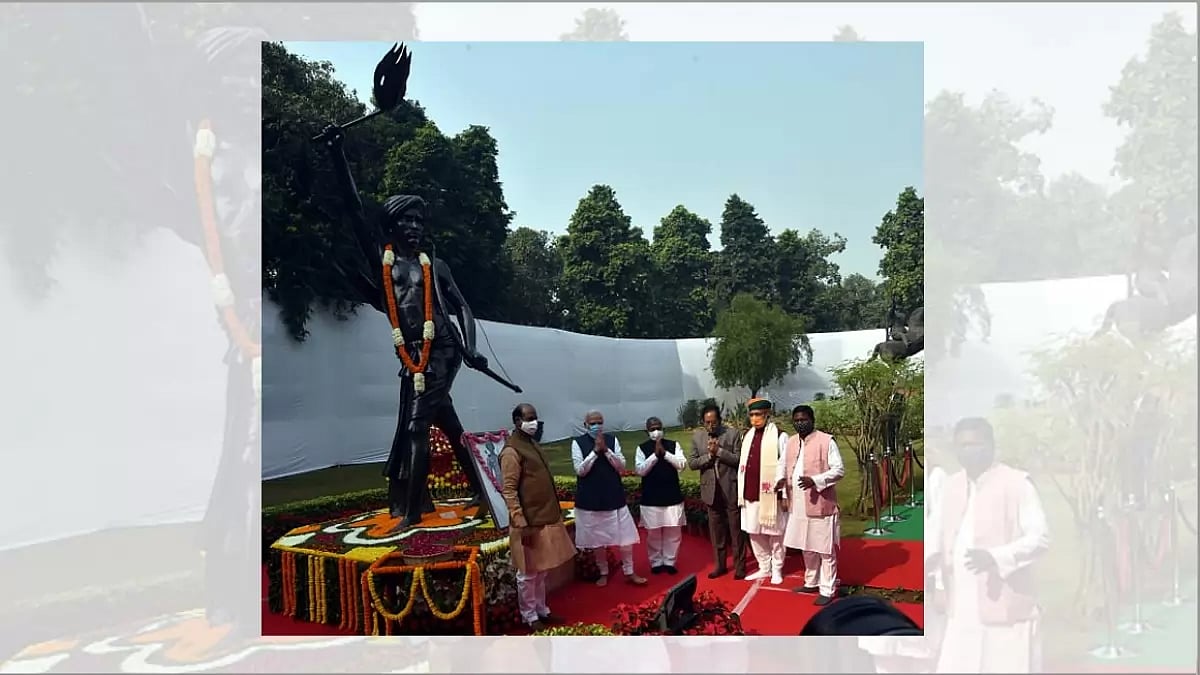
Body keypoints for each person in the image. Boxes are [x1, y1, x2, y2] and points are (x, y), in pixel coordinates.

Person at [320, 122, 489, 532]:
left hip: (442, 351)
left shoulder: (436, 266)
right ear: (392, 226)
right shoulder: (385, 262)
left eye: (419, 220)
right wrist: (337, 154)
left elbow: (463, 307)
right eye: (406, 220)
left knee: (416, 426)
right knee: (448, 425)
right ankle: (486, 495)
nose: (414, 227)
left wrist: (469, 347)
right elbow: (354, 210)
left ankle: (412, 514)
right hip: (412, 353)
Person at [930, 417, 1050, 673]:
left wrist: (997, 557)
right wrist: (940, 584)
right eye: (962, 445)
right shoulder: (951, 486)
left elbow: (1040, 538)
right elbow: (940, 541)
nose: (969, 450)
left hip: (1004, 602)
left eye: (975, 444)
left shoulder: (1017, 483)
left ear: (992, 445)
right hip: (961, 605)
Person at [499, 403, 576, 631]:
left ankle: (542, 610)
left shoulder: (531, 444)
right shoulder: (512, 451)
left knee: (542, 571)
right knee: (528, 573)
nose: (534, 422)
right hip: (528, 523)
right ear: (517, 421)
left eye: (535, 417)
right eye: (529, 418)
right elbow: (510, 490)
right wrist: (520, 522)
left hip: (543, 517)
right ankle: (529, 615)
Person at [570, 410, 648, 587]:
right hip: (590, 499)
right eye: (592, 423)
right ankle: (603, 572)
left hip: (613, 496)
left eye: (599, 422)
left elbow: (621, 466)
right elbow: (580, 470)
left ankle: (629, 571)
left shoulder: (612, 440)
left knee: (626, 537)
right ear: (586, 425)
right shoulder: (578, 443)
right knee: (597, 540)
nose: (596, 426)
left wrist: (606, 451)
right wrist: (595, 452)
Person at [782, 404, 845, 605]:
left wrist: (816, 480)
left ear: (812, 420)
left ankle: (828, 588)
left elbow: (839, 470)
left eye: (804, 420)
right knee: (806, 546)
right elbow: (782, 466)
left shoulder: (826, 441)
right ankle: (811, 581)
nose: (800, 423)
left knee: (825, 549)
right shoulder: (791, 442)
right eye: (797, 420)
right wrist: (780, 486)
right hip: (798, 505)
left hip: (821, 504)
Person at [688, 403, 747, 579]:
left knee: (736, 531)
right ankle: (720, 565)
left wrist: (719, 451)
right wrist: (709, 456)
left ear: (719, 420)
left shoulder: (732, 434)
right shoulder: (698, 437)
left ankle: (740, 567)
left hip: (730, 488)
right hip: (710, 491)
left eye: (713, 422)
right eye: (707, 422)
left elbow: (738, 460)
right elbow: (692, 463)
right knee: (716, 532)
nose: (710, 426)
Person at [737, 397, 789, 585]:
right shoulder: (747, 436)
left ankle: (777, 568)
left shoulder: (780, 436)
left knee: (775, 533)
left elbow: (785, 468)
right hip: (750, 493)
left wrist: (784, 495)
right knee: (754, 532)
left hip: (770, 494)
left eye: (758, 415)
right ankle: (764, 567)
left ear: (767, 415)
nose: (754, 419)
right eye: (751, 415)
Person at [634, 416, 687, 575]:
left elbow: (682, 465)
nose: (656, 431)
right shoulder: (641, 448)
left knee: (673, 532)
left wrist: (665, 455)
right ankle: (656, 562)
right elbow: (640, 470)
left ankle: (670, 561)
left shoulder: (673, 445)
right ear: (647, 431)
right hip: (651, 498)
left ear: (663, 428)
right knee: (653, 534)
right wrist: (655, 456)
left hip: (672, 496)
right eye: (652, 429)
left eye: (658, 427)